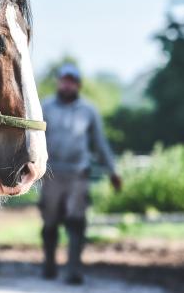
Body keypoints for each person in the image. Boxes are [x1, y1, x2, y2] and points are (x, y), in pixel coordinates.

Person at [39, 64, 122, 285]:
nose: (67, 85)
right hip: (51, 174)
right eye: (64, 80)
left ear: (78, 85)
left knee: (77, 221)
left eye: (71, 81)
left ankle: (74, 269)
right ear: (59, 82)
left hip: (78, 175)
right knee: (50, 221)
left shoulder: (89, 110)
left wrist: (112, 171)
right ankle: (49, 263)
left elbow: (100, 144)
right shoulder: (45, 107)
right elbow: (32, 140)